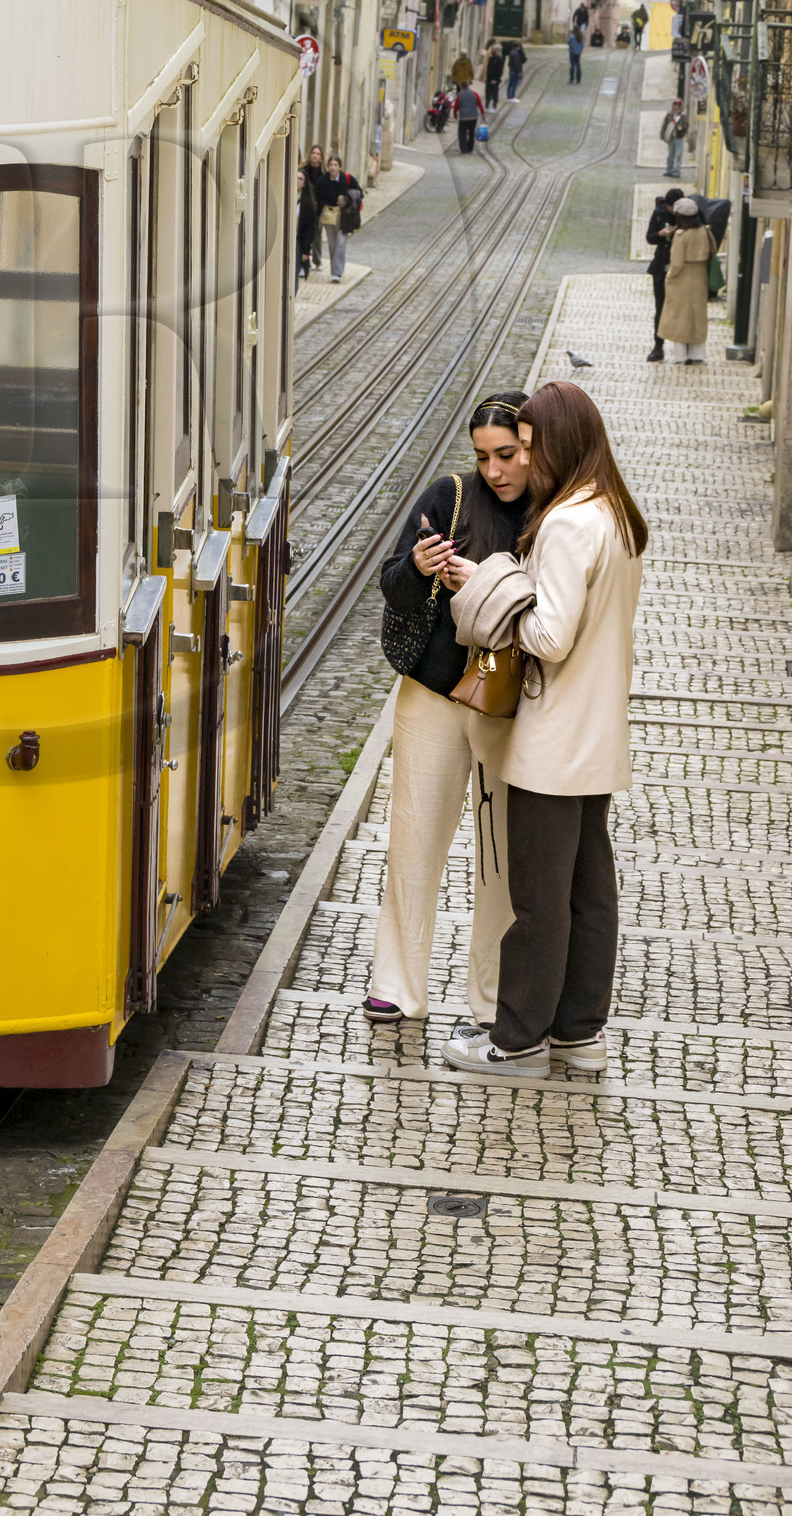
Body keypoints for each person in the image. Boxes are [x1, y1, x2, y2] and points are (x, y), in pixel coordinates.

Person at [443, 380, 647, 1079]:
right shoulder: (614, 512)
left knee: (537, 897)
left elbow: (551, 637)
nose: (523, 460)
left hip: (554, 739)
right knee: (588, 892)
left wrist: (493, 595)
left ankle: (518, 1040)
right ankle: (579, 1034)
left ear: (560, 443)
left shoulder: (566, 523)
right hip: (597, 734)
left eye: (530, 446)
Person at [367, 391, 532, 1030]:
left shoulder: (552, 512)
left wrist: (487, 584)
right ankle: (397, 984)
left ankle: (491, 997)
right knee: (414, 836)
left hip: (508, 702)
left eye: (507, 454)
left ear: (532, 447)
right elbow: (391, 583)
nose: (495, 470)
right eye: (484, 456)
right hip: (434, 693)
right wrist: (416, 566)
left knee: (500, 856)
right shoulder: (451, 495)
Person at [657, 196, 715, 364]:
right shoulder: (705, 231)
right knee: (697, 314)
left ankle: (681, 354)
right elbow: (712, 251)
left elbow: (677, 263)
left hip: (682, 277)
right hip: (700, 275)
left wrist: (670, 276)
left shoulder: (681, 235)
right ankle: (698, 353)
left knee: (680, 316)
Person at [645, 187, 680, 362]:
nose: (674, 212)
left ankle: (684, 349)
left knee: (681, 309)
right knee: (660, 307)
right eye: (671, 208)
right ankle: (658, 346)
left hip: (681, 267)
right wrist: (661, 233)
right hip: (661, 265)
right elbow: (650, 237)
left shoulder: (689, 215)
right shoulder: (659, 213)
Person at [316, 151, 362, 278]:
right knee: (332, 244)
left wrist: (346, 199)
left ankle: (337, 272)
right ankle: (334, 270)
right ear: (327, 167)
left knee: (341, 243)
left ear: (340, 167)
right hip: (329, 215)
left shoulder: (347, 179)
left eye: (335, 165)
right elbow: (317, 197)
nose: (333, 167)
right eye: (331, 165)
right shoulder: (322, 181)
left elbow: (359, 193)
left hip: (344, 216)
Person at [295, 146, 324, 287]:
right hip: (297, 229)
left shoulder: (323, 174)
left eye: (318, 153)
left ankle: (315, 260)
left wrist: (306, 251)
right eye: (313, 152)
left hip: (316, 210)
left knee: (316, 236)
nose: (315, 155)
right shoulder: (304, 170)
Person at [660, 96, 687, 179]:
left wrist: (679, 126)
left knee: (678, 154)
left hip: (678, 137)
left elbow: (685, 126)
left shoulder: (682, 116)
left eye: (677, 105)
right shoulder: (669, 114)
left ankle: (677, 171)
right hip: (671, 137)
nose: (675, 107)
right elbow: (665, 124)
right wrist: (662, 134)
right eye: (674, 105)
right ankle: (669, 169)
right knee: (671, 154)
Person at [455, 80, 483, 154]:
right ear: (468, 86)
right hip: (473, 117)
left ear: (461, 87)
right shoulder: (475, 94)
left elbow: (456, 106)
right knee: (471, 132)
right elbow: (480, 104)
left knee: (462, 132)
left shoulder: (459, 95)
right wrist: (483, 114)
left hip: (463, 117)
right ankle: (470, 148)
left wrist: (455, 115)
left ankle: (463, 148)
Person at [566, 19, 584, 85]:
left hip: (572, 52)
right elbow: (582, 45)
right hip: (578, 53)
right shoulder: (581, 37)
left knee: (572, 66)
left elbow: (568, 42)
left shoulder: (572, 36)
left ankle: (571, 79)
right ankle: (578, 79)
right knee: (578, 65)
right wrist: (579, 50)